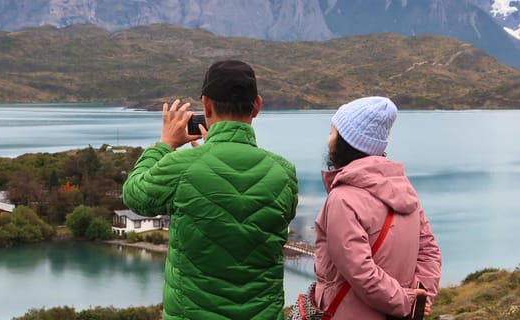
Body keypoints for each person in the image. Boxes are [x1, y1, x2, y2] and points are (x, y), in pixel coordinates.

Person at [123, 60, 299, 320]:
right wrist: (213, 155)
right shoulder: (283, 172)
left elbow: (134, 194)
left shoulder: (182, 168)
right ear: (257, 106)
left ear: (206, 105)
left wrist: (165, 146)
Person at [313, 97, 442, 319]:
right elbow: (429, 252)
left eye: (332, 133)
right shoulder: (404, 190)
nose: (328, 141)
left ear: (347, 142)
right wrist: (418, 299)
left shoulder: (342, 199)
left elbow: (360, 271)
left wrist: (408, 301)